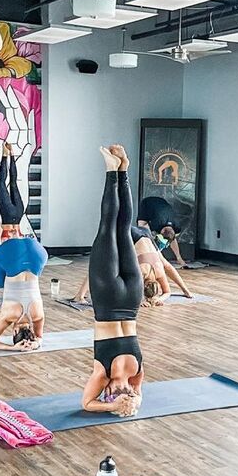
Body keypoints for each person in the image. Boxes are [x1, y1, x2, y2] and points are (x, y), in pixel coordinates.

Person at [81, 145, 144, 417]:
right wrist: (117, 405)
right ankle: (113, 170)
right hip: (112, 298)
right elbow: (87, 404)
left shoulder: (130, 374)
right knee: (111, 227)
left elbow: (90, 403)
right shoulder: (105, 374)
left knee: (121, 228)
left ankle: (123, 169)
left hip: (130, 298)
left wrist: (121, 405)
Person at [70, 226, 192, 306]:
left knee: (165, 263)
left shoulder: (159, 272)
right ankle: (79, 296)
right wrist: (141, 301)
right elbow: (125, 290)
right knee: (100, 263)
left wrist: (161, 298)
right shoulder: (140, 273)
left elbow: (167, 288)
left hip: (146, 235)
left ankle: (186, 290)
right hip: (130, 236)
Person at [0, 215, 48, 352]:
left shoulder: (38, 316)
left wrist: (36, 343)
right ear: (14, 332)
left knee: (26, 276)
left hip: (37, 253)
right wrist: (13, 348)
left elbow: (39, 337)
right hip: (11, 257)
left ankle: (16, 237)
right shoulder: (9, 316)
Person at [137, 195, 188, 267]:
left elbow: (173, 239)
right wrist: (151, 240)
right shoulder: (156, 224)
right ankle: (142, 256)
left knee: (165, 237)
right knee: (142, 228)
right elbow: (145, 227)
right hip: (147, 203)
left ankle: (179, 259)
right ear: (160, 232)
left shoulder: (176, 226)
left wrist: (179, 258)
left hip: (162, 202)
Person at [0, 144, 24, 240]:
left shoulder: (20, 243)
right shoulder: (8, 245)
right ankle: (5, 155)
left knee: (13, 183)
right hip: (8, 215)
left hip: (19, 213)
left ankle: (11, 154)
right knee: (1, 183)